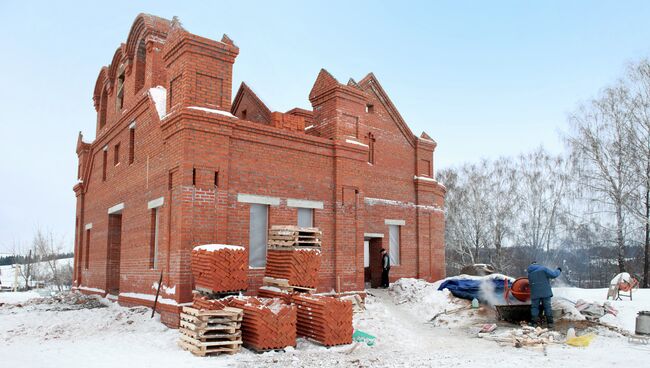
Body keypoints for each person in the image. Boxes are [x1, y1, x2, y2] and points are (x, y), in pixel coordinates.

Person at [527, 261, 561, 328]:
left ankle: (534, 323)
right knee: (547, 307)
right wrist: (558, 270)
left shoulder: (529, 273)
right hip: (545, 293)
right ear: (537, 264)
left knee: (535, 307)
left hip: (535, 293)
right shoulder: (543, 269)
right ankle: (550, 323)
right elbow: (554, 275)